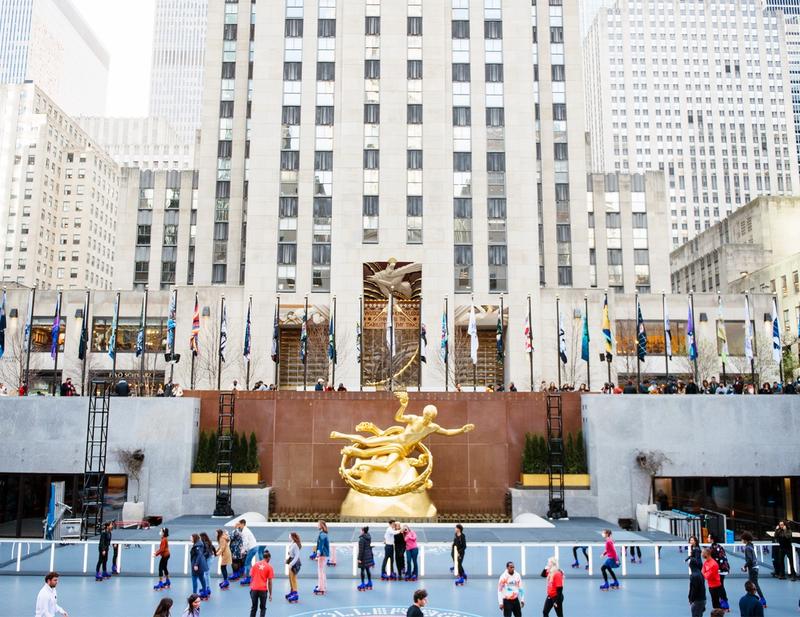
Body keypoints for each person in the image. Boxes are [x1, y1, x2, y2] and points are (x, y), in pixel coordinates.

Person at [741, 532, 766, 608]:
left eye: (742, 539)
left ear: (745, 539)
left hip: (753, 568)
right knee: (753, 584)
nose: (741, 540)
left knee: (753, 585)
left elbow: (749, 560)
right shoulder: (751, 546)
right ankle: (757, 599)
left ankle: (762, 600)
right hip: (755, 567)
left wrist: (744, 566)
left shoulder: (747, 548)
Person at [707, 534, 730, 610]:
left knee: (719, 586)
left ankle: (724, 603)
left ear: (712, 539)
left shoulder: (712, 548)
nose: (708, 538)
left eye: (709, 537)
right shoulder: (718, 546)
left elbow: (711, 561)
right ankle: (723, 601)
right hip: (723, 569)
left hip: (719, 570)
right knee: (720, 585)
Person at [249, 550, 274, 617]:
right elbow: (270, 582)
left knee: (254, 608)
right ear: (268, 557)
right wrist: (270, 594)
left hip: (254, 589)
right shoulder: (269, 567)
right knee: (263, 608)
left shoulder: (255, 565)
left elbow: (251, 575)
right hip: (263, 590)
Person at [238, 519, 262, 585]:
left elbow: (245, 542)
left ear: (242, 524)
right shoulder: (246, 530)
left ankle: (248, 578)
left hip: (252, 548)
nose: (239, 525)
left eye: (239, 524)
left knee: (247, 563)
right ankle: (252, 576)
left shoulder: (244, 531)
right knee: (249, 562)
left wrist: (243, 550)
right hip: (254, 547)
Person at [313, 519, 330, 595]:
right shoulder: (323, 533)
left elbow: (321, 545)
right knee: (322, 571)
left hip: (322, 555)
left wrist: (318, 553)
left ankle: (321, 588)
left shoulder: (322, 534)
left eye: (318, 524)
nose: (317, 525)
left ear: (321, 526)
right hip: (324, 555)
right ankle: (323, 586)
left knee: (320, 571)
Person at [189, 533, 208, 598]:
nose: (190, 539)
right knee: (201, 578)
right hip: (200, 564)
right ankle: (205, 592)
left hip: (197, 564)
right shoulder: (199, 544)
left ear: (194, 538)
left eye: (191, 538)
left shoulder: (198, 545)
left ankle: (194, 595)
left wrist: (196, 565)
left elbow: (199, 555)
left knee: (194, 578)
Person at [199, 532, 216, 599]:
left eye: (200, 537)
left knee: (206, 573)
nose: (199, 538)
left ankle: (207, 588)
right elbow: (213, 548)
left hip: (209, 558)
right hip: (210, 558)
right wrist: (215, 553)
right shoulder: (208, 541)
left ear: (203, 537)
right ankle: (206, 587)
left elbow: (207, 553)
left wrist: (201, 557)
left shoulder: (205, 543)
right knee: (206, 573)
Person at [357, 525, 374, 591]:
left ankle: (363, 584)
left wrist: (359, 559)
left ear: (363, 531)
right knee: (367, 569)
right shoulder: (368, 537)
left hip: (363, 557)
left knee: (362, 570)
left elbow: (361, 550)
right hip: (368, 556)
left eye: (361, 530)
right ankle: (370, 583)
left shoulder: (362, 539)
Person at [286, 532, 301, 602]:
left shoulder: (295, 545)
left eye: (290, 535)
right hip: (291, 561)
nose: (289, 536)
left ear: (292, 536)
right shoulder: (292, 543)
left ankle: (295, 594)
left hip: (294, 563)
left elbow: (296, 556)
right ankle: (292, 591)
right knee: (290, 578)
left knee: (293, 578)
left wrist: (291, 564)